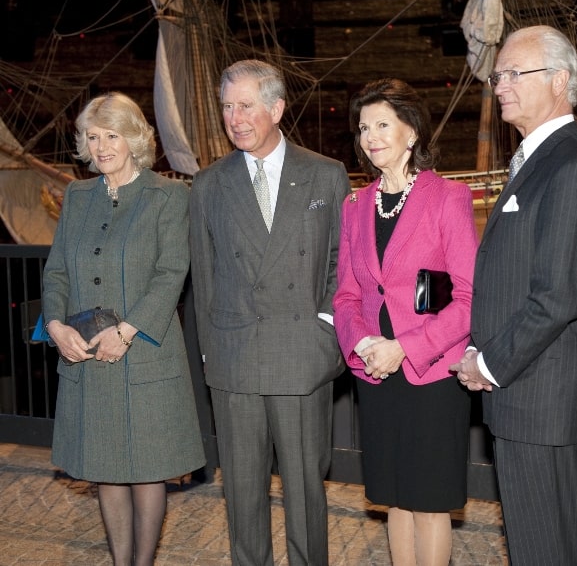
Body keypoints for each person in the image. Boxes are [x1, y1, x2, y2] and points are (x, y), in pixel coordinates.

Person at [450, 25, 577, 565]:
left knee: (547, 551)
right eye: (498, 75)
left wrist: (488, 364)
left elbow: (559, 295)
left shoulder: (570, 166)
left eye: (514, 73)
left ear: (560, 80)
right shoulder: (539, 161)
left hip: (545, 403)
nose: (499, 84)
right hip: (531, 401)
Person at [189, 59, 350, 565]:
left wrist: (325, 333)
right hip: (235, 359)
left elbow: (341, 265)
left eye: (246, 106)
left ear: (277, 108)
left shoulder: (325, 175)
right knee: (242, 495)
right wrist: (213, 357)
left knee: (305, 492)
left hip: (301, 357)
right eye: (227, 107)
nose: (234, 118)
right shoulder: (209, 184)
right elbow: (204, 276)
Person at [42, 92, 206, 566]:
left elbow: (172, 271)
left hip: (144, 353)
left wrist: (128, 330)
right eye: (92, 137)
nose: (101, 146)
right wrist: (54, 325)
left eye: (111, 135)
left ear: (133, 137)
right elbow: (55, 273)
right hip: (87, 357)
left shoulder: (168, 195)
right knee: (105, 469)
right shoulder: (76, 196)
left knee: (146, 470)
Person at [333, 78, 478, 565]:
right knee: (393, 495)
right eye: (363, 127)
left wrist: (405, 347)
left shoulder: (448, 197)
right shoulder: (354, 206)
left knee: (429, 501)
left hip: (430, 370)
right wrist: (363, 347)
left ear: (411, 131)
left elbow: (469, 298)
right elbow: (347, 293)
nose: (370, 136)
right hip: (376, 370)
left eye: (382, 124)